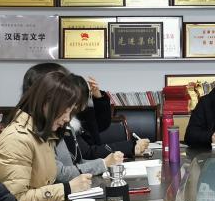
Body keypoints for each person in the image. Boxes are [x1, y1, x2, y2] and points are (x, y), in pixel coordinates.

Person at [0, 71, 92, 201]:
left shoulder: (43, 135)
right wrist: (67, 189)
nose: (67, 118)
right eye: (65, 111)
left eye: (70, 112)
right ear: (46, 103)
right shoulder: (17, 140)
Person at [20, 63, 148, 158]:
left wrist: (98, 97)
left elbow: (101, 125)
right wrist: (130, 147)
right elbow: (83, 156)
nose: (70, 87)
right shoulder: (26, 133)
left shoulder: (63, 118)